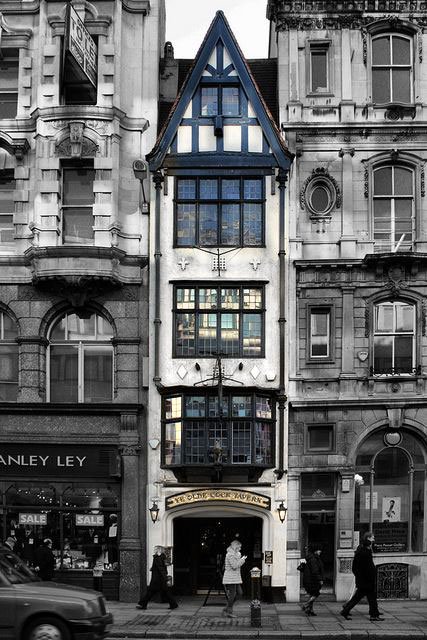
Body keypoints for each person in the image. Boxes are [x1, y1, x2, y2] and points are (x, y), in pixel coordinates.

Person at [340, 531, 383, 622]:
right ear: (368, 540)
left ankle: (373, 614)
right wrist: (370, 576)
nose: (374, 540)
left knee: (364, 598)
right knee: (369, 598)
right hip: (367, 580)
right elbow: (367, 567)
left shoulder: (361, 550)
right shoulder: (365, 552)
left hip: (363, 580)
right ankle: (373, 615)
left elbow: (356, 567)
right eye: (372, 538)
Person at [136, 546, 178, 610]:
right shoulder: (161, 557)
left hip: (157, 579)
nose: (154, 550)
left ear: (159, 550)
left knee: (151, 592)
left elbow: (161, 568)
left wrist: (164, 577)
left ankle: (143, 604)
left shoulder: (157, 558)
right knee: (165, 592)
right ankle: (173, 604)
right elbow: (162, 567)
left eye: (155, 549)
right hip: (159, 579)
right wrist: (153, 568)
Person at [222, 539, 247, 618]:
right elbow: (234, 566)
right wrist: (242, 560)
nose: (240, 549)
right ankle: (229, 611)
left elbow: (236, 565)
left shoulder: (237, 554)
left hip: (235, 577)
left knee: (240, 593)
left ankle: (226, 608)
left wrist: (241, 559)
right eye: (239, 547)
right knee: (233, 594)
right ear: (235, 547)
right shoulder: (230, 555)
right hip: (230, 578)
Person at [301, 544, 324, 616]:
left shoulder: (311, 557)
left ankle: (310, 610)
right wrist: (320, 579)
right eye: (319, 550)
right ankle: (306, 605)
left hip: (309, 579)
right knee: (316, 594)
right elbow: (315, 571)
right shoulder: (314, 559)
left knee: (312, 594)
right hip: (312, 580)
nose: (320, 551)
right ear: (315, 551)